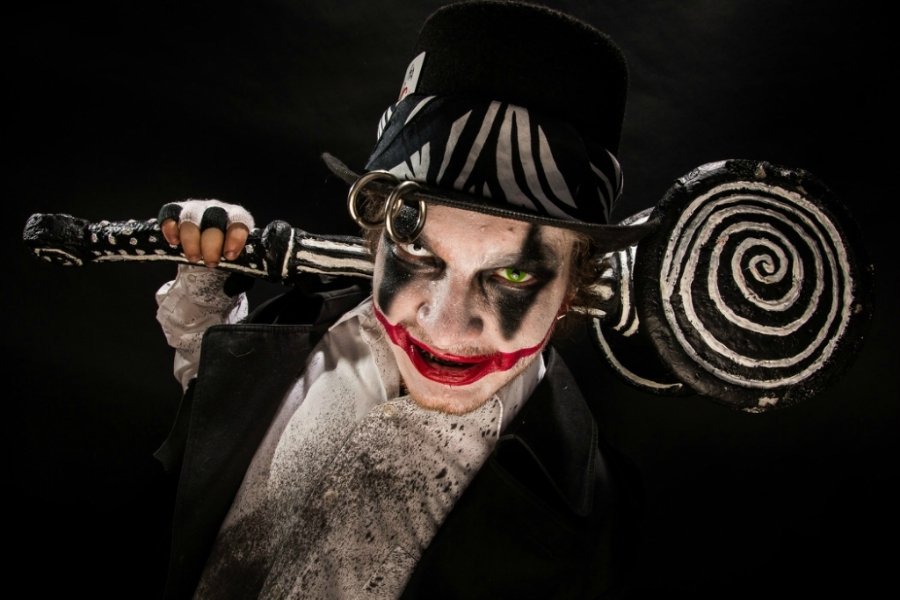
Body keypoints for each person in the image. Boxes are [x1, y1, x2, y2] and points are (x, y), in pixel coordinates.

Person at [151, 1, 653, 598]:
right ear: (377, 239)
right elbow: (208, 413)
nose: (444, 326)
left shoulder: (596, 528)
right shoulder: (299, 326)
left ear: (574, 288)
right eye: (418, 252)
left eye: (513, 275)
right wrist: (205, 286)